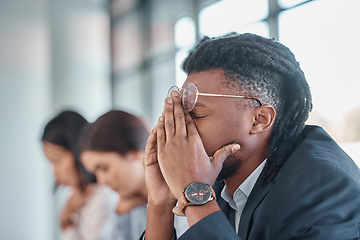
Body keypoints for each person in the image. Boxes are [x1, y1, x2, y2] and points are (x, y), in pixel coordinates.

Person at [142, 33, 360, 239]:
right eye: (179, 117)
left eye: (195, 116)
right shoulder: (221, 175)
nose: (179, 133)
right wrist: (160, 205)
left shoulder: (323, 183)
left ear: (259, 119)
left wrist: (197, 194)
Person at [80, 110, 188, 240]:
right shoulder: (130, 204)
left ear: (135, 154)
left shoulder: (179, 198)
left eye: (104, 168)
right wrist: (121, 216)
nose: (101, 181)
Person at [42, 110, 116, 240]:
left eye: (57, 160)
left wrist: (67, 219)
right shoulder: (72, 196)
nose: (55, 172)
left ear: (77, 151)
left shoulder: (105, 195)